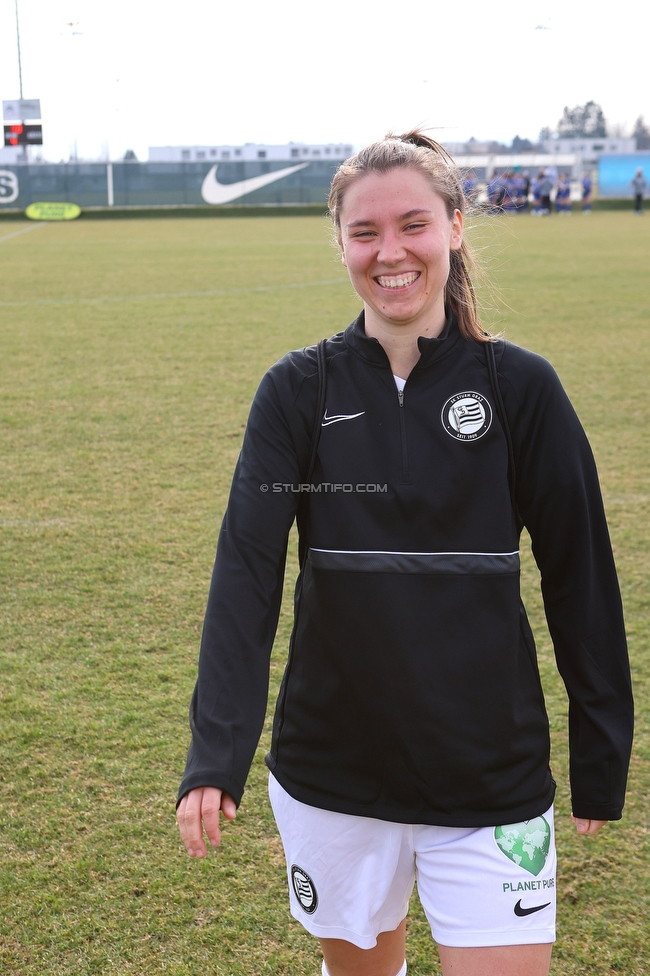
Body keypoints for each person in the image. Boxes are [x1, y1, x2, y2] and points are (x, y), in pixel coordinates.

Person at [176, 131, 633, 976]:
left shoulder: (520, 388)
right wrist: (217, 752)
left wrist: (600, 751)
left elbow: (582, 576)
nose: (390, 252)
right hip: (334, 776)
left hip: (490, 777)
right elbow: (246, 573)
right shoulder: (297, 391)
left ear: (456, 226)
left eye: (414, 224)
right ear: (341, 243)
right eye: (365, 232)